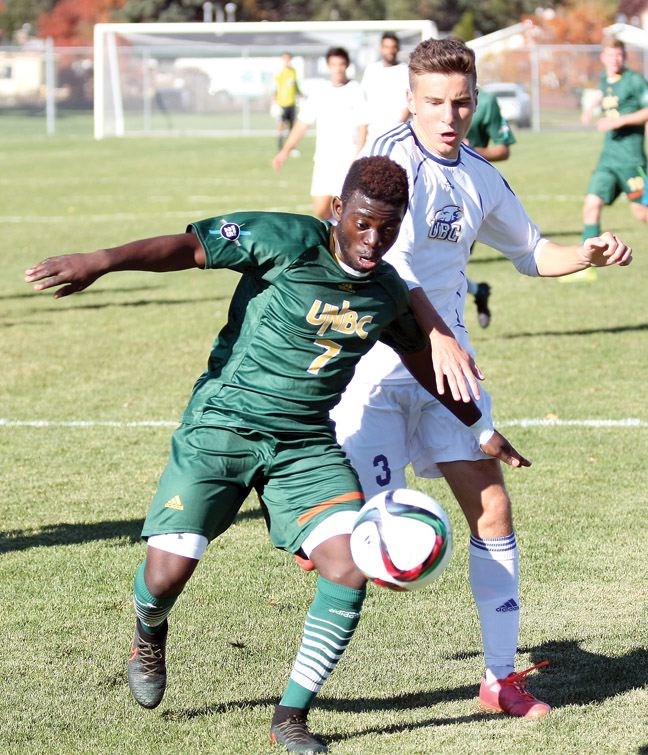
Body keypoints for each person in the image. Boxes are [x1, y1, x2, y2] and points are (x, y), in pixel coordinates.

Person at [25, 156, 530, 754]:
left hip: (306, 446)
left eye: (388, 229)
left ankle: (290, 716)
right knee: (166, 576)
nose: (374, 241)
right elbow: (187, 249)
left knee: (347, 571)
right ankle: (149, 627)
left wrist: (478, 427)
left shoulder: (387, 293)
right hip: (223, 428)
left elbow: (424, 361)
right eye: (363, 223)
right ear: (339, 210)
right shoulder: (286, 240)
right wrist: (101, 261)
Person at [329, 38, 632, 721]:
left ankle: (500, 678)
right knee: (364, 548)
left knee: (492, 508)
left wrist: (583, 251)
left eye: (461, 102)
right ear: (411, 101)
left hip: (449, 369)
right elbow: (376, 265)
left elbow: (532, 251)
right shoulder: (388, 163)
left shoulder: (478, 177)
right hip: (376, 367)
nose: (449, 115)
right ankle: (299, 690)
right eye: (434, 102)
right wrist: (432, 330)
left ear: (475, 101)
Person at [273, 47, 368, 222]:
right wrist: (284, 151)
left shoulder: (355, 90)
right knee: (321, 210)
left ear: (346, 65)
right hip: (324, 160)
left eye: (341, 64)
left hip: (348, 160)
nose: (338, 68)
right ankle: (336, 236)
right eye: (333, 64)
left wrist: (359, 157)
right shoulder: (320, 91)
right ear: (328, 66)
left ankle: (340, 245)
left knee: (345, 209)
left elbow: (363, 126)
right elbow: (302, 124)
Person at [581, 37, 648, 243]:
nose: (615, 59)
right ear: (603, 57)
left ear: (625, 57)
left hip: (631, 160)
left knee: (642, 214)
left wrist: (619, 121)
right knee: (591, 204)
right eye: (611, 55)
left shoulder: (635, 80)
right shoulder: (605, 78)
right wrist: (590, 108)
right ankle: (586, 267)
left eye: (619, 55)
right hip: (608, 160)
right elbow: (603, 91)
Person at [463, 88, 517, 327]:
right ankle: (478, 290)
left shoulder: (486, 102)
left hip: (467, 195)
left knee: (447, 266)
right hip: (425, 189)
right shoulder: (423, 93)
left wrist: (468, 151)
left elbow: (503, 149)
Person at [361, 31, 411, 146]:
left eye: (393, 47)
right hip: (374, 134)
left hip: (399, 136)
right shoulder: (371, 70)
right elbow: (364, 102)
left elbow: (410, 102)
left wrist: (397, 128)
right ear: (381, 48)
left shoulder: (405, 71)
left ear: (398, 49)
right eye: (387, 47)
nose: (390, 51)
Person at [272, 52, 302, 151]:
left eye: (288, 59)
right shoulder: (280, 73)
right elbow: (275, 88)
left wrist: (300, 94)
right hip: (282, 103)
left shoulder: (293, 71)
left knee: (292, 127)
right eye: (285, 59)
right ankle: (280, 146)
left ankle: (291, 148)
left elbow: (295, 85)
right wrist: (274, 102)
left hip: (292, 103)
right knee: (281, 125)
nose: (287, 61)